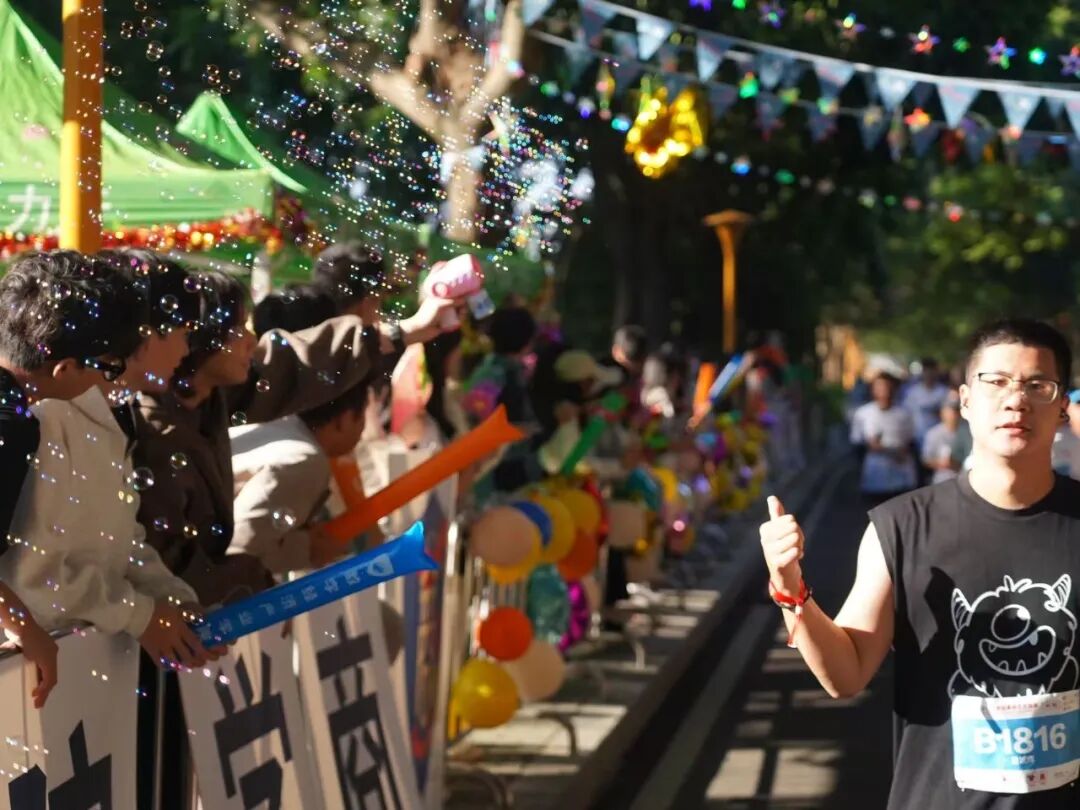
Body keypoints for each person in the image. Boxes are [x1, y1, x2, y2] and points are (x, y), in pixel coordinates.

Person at [760, 318, 1080, 807]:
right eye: (996, 382)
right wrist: (789, 588)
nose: (1016, 400)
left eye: (1038, 386)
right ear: (965, 400)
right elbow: (846, 674)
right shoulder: (901, 527)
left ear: (1061, 409)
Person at [131, 261, 450, 605]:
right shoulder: (154, 431)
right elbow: (169, 566)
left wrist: (407, 330)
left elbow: (297, 365)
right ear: (201, 340)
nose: (251, 341)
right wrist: (255, 585)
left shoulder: (209, 393)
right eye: (236, 330)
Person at [1, 252, 218, 671]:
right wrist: (141, 615)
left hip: (74, 663)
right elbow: (33, 575)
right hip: (31, 668)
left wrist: (168, 600)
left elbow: (116, 540)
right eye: (183, 331)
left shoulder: (110, 411)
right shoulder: (41, 414)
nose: (187, 348)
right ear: (144, 335)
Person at [0, 250, 145, 707]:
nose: (108, 382)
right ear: (64, 369)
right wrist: (26, 628)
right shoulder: (12, 422)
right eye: (108, 367)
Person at [229, 381, 369, 577]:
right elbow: (239, 549)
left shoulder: (278, 426)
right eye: (362, 417)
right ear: (344, 419)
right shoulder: (305, 460)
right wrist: (308, 549)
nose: (363, 431)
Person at [849, 373, 917, 506]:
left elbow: (910, 440)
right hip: (875, 478)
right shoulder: (863, 414)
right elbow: (858, 443)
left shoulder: (904, 413)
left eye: (887, 387)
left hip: (901, 477)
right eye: (879, 387)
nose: (883, 391)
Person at [903, 358, 951, 484]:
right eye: (926, 371)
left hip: (939, 440)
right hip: (917, 440)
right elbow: (906, 415)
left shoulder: (944, 392)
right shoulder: (913, 392)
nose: (929, 374)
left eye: (932, 371)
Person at [920, 394, 962, 484]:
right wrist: (942, 463)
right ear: (942, 412)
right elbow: (926, 460)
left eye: (956, 411)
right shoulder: (933, 433)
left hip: (963, 479)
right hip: (942, 480)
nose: (953, 415)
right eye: (950, 411)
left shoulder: (968, 432)